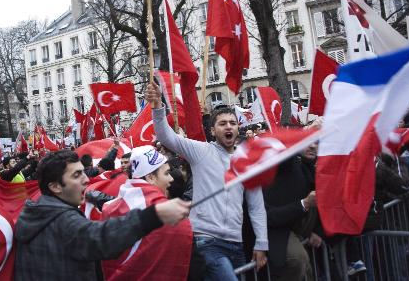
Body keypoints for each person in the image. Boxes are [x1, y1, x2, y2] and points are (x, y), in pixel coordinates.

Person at [146, 82, 268, 280]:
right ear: (212, 131)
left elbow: (256, 206)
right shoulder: (201, 151)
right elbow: (167, 137)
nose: (228, 126)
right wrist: (158, 107)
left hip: (236, 242)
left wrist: (262, 243)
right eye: (222, 123)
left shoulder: (247, 164)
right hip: (207, 240)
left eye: (232, 123)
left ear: (238, 128)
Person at [14, 150, 190, 281]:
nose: (86, 180)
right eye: (76, 175)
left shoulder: (35, 213)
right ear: (55, 187)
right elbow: (101, 238)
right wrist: (154, 214)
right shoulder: (62, 220)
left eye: (83, 172)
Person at [101, 145, 193, 281]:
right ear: (150, 177)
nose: (171, 179)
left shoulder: (109, 207)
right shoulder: (166, 213)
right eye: (166, 173)